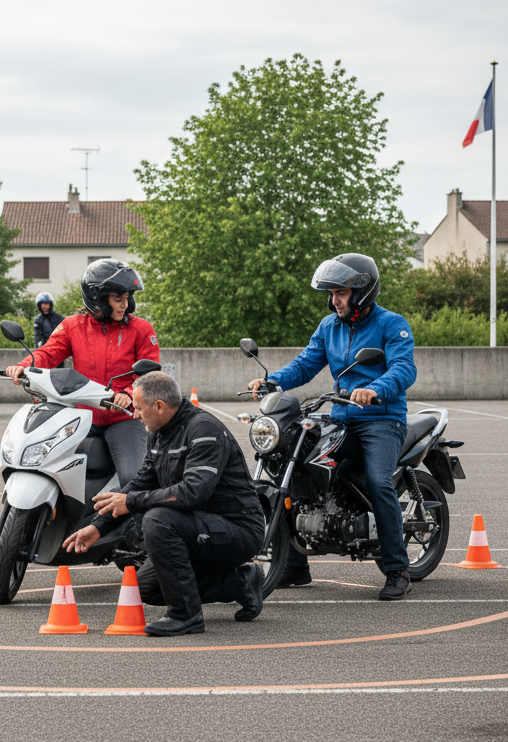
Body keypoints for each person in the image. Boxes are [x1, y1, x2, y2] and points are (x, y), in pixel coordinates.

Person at [248, 253, 417, 601]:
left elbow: (404, 369)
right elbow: (306, 363)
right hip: (341, 416)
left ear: (361, 291)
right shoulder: (329, 327)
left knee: (378, 480)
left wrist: (376, 390)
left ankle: (397, 568)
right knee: (295, 463)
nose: (334, 300)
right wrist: (273, 382)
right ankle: (295, 565)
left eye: (340, 293)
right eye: (332, 293)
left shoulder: (391, 324)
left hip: (381, 420)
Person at [63, 371, 266, 635]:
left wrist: (132, 502)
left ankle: (186, 616)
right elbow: (140, 483)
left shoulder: (203, 429)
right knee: (146, 589)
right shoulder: (158, 431)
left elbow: (193, 493)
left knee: (158, 518)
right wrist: (99, 527)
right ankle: (239, 582)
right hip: (197, 527)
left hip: (236, 530)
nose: (134, 415)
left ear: (159, 406)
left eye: (138, 408)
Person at [5, 259, 158, 489]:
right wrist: (24, 367)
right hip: (82, 416)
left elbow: (151, 373)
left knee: (134, 480)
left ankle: (139, 525)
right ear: (98, 299)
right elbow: (48, 352)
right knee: (47, 466)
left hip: (123, 418)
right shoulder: (72, 326)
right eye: (118, 299)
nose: (124, 305)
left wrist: (128, 392)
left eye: (127, 298)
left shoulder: (141, 329)